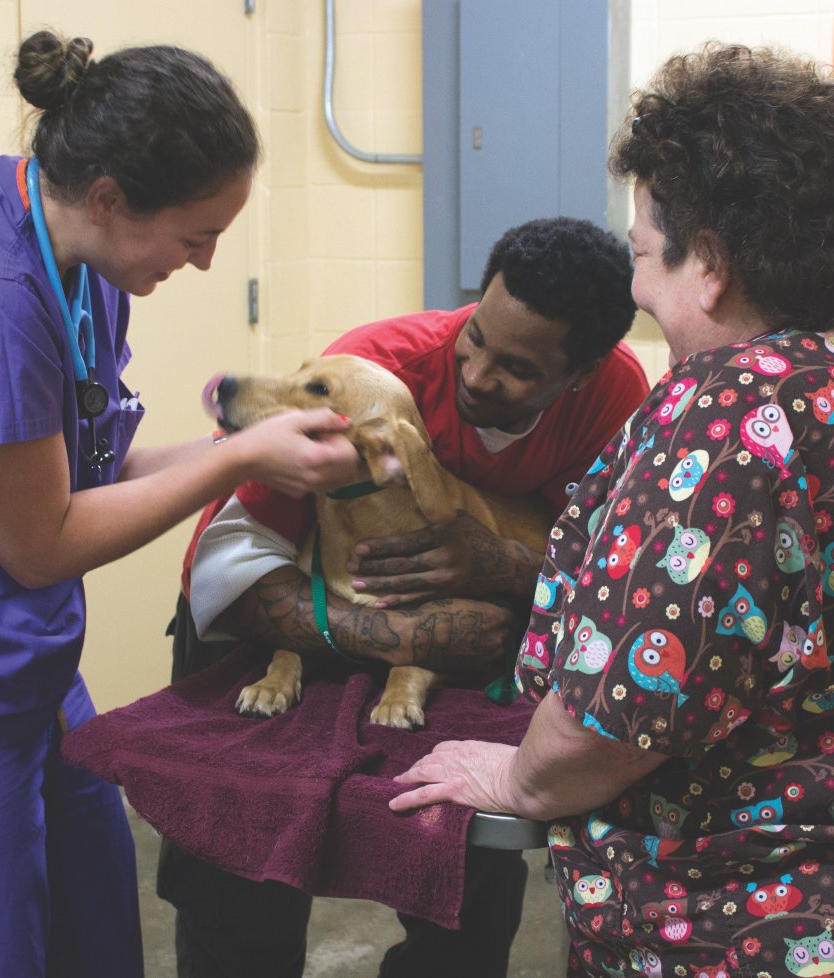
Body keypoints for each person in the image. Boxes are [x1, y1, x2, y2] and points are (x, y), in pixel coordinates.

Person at [390, 42, 834, 978]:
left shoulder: (734, 414)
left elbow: (621, 704)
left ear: (709, 265)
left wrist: (518, 775)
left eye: (642, 257)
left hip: (750, 922)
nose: (636, 290)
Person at [0, 31, 361, 978]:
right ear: (108, 197)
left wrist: (249, 452)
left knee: (93, 937)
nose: (208, 262)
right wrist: (237, 460)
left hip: (23, 678)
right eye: (195, 235)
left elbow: (87, 459)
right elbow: (41, 541)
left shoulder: (79, 262)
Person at [157, 216, 650, 978]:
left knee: (467, 875)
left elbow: (607, 573)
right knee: (237, 861)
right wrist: (398, 641)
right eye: (475, 337)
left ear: (578, 374)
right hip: (275, 607)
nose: (479, 375)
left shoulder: (614, 398)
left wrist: (498, 565)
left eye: (518, 368)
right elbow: (232, 561)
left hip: (459, 643)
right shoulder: (369, 375)